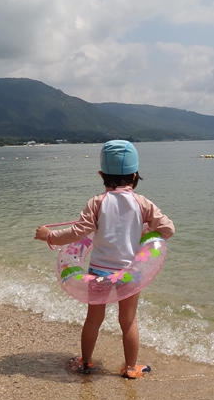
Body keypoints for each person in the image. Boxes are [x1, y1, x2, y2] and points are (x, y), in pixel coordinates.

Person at [35, 140, 174, 379]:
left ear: (101, 174)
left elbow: (78, 233)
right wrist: (145, 231)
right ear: (135, 174)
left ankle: (86, 363)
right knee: (128, 321)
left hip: (99, 273)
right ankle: (131, 368)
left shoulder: (97, 203)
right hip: (131, 272)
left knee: (94, 319)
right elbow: (168, 229)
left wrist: (50, 236)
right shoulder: (143, 204)